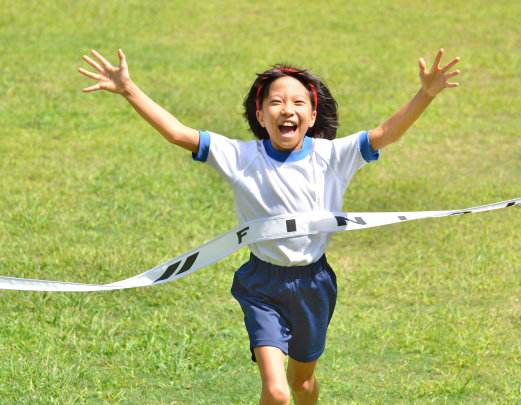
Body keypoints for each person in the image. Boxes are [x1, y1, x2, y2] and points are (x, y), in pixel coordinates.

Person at [79, 48, 460, 405]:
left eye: (298, 103)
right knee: (276, 393)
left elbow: (385, 132)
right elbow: (178, 133)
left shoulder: (333, 157)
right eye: (275, 102)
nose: (286, 109)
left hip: (315, 285)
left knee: (303, 384)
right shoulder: (241, 157)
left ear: (311, 116)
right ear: (261, 117)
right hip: (262, 285)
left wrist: (425, 95)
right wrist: (129, 90)